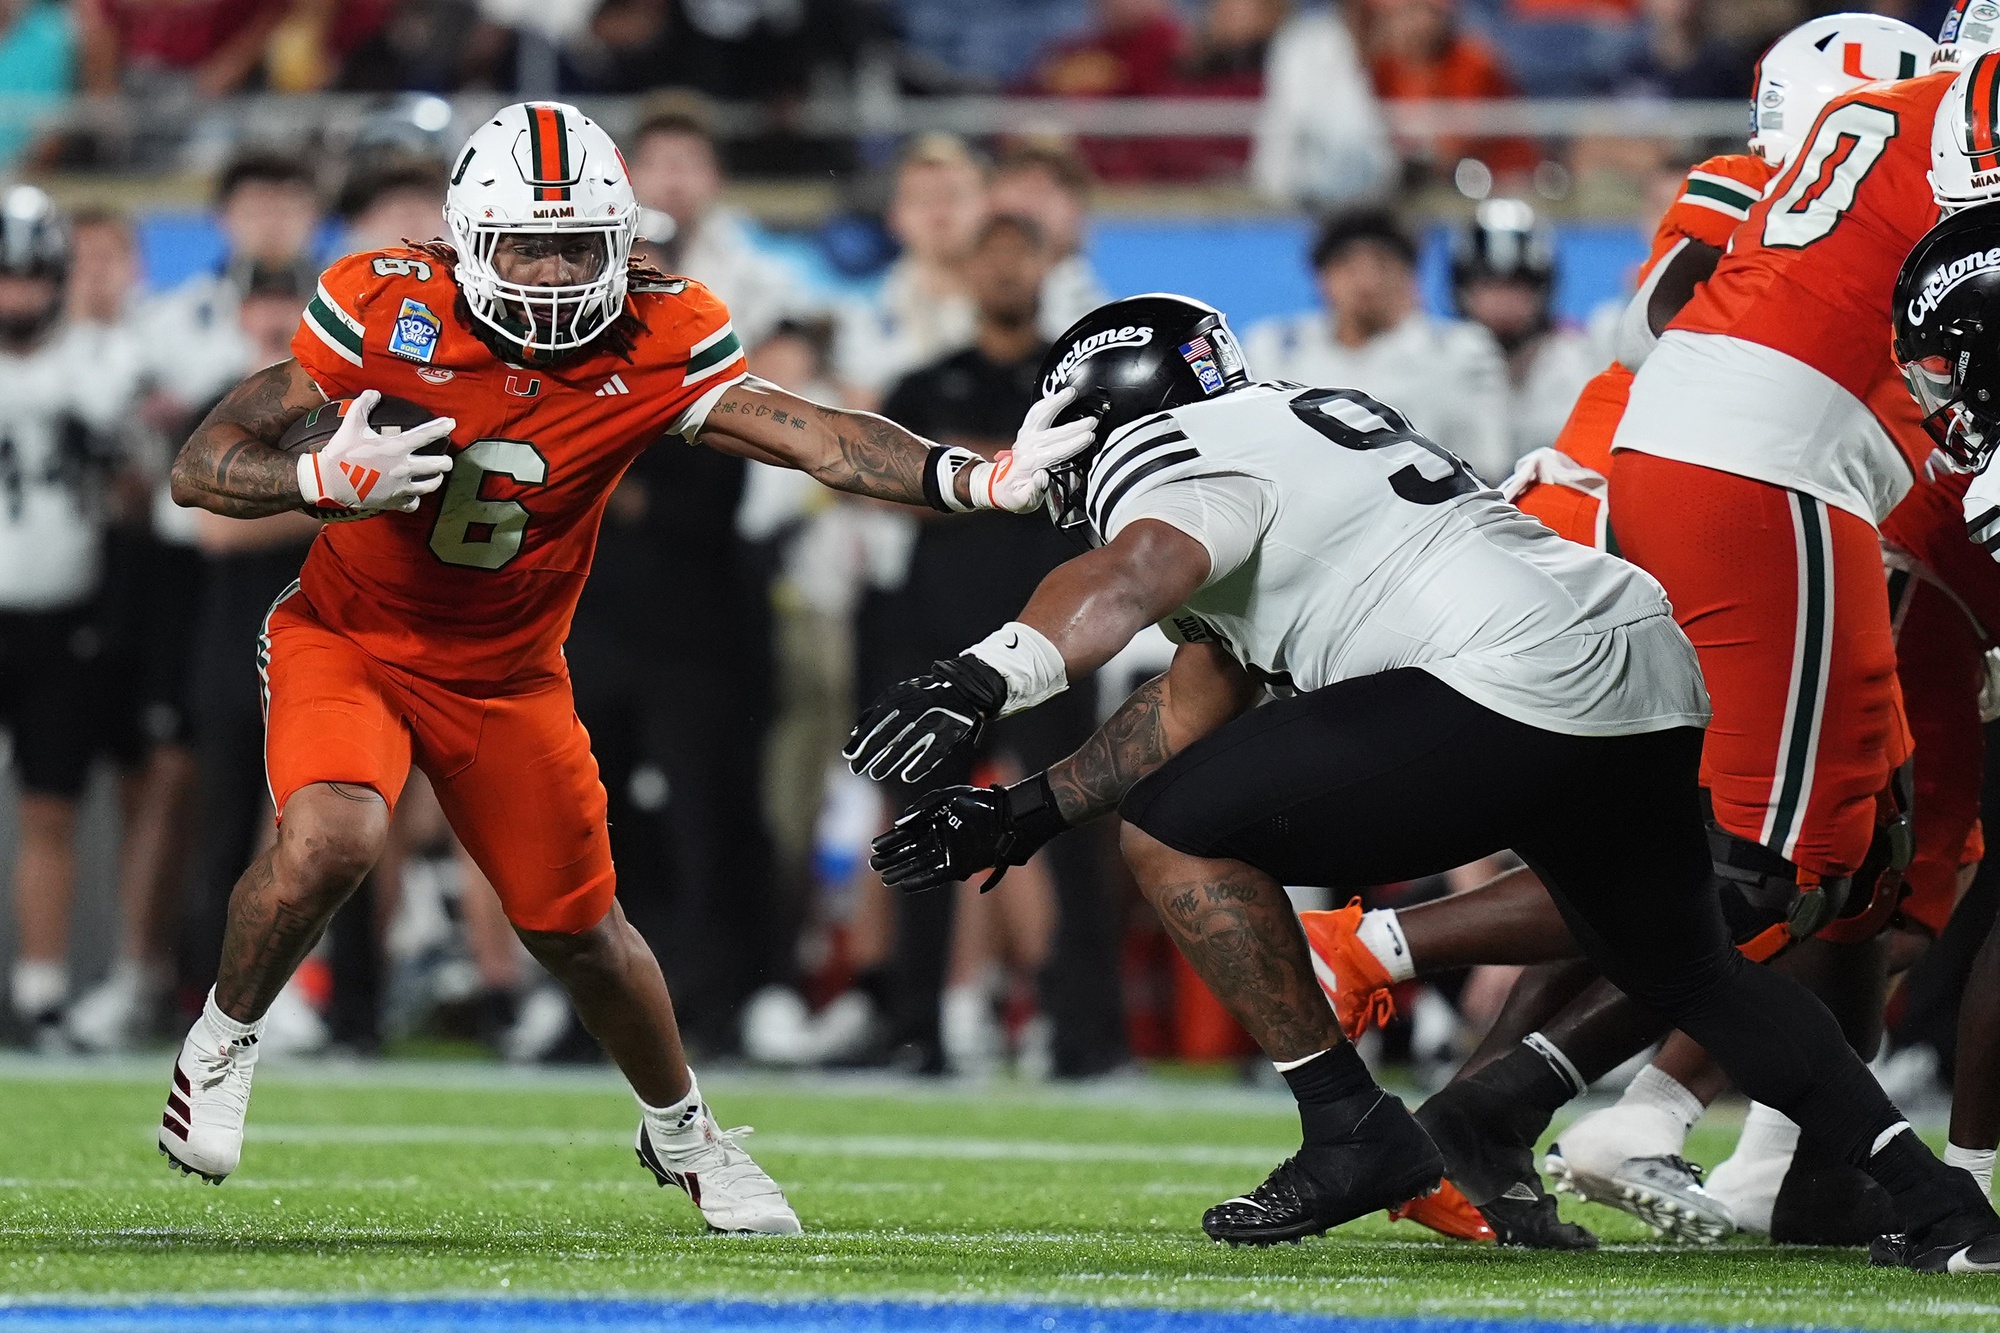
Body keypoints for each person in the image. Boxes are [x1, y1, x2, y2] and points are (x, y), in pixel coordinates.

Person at [848, 291, 2000, 1272]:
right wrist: (1027, 809)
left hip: (1504, 683)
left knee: (1172, 833)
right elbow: (1205, 682)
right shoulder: (1292, 423)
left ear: (1102, 405)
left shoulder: (1175, 452)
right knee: (1689, 970)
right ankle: (1945, 1208)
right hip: (1635, 663)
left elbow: (1135, 570)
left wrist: (980, 675)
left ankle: (1349, 1128)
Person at [155, 100, 1097, 1235]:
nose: (552, 272)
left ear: (621, 238)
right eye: (525, 243)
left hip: (509, 673)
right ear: (465, 236)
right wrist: (315, 483)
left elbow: (802, 429)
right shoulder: (383, 300)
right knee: (336, 836)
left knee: (584, 934)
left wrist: (973, 477)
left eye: (576, 243)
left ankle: (684, 1131)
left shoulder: (658, 328)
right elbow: (200, 466)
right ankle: (222, 1038)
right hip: (349, 637)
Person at [866, 214, 1127, 1077]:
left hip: (1056, 638)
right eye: (993, 252)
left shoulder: (1084, 385)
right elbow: (884, 483)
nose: (1008, 268)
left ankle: (1083, 1033)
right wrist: (1005, 468)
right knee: (914, 827)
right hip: (938, 636)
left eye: (1023, 251)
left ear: (1049, 263)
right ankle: (918, 1029)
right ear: (967, 267)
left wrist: (972, 467)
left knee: (1069, 829)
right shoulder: (923, 379)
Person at [0, 186, 144, 1046]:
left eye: (30, 275)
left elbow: (137, 501)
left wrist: (118, 454)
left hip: (64, 612)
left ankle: (44, 991)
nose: (17, 293)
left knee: (51, 808)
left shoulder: (104, 362)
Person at [1244, 208, 1511, 481]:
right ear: (1322, 277)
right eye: (1348, 266)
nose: (1367, 283)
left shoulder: (1458, 351)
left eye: (1383, 264)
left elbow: (1484, 468)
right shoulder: (1276, 349)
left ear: (1411, 275)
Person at [623, 101, 812, 349]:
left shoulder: (751, 254)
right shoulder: (600, 254)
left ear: (717, 176)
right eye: (657, 163)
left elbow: (794, 340)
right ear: (628, 175)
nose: (673, 183)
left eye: (688, 164)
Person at [835, 134, 988, 408]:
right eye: (921, 199)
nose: (939, 213)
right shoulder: (865, 309)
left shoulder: (1017, 303)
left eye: (953, 196)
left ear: (986, 207)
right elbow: (860, 411)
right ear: (895, 217)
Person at [1449, 199, 1596, 467]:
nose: (1503, 301)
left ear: (1544, 290)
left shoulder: (1581, 363)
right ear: (1463, 291)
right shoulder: (1437, 364)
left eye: (1517, 285)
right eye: (1489, 285)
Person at [1250, 0, 1395, 209]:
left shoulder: (1412, 66)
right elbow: (1307, 129)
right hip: (1301, 204)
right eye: (1373, 13)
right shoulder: (1304, 46)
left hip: (1381, 204)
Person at [989, 141, 1110, 343]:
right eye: (1021, 179)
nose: (1034, 197)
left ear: (1079, 212)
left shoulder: (1103, 323)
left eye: (1055, 184)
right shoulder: (947, 306)